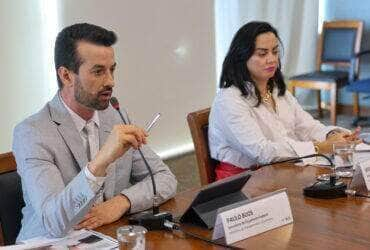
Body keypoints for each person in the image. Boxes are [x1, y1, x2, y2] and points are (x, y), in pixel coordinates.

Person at [12, 23, 177, 241]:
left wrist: (121, 202)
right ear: (66, 76)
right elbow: (54, 222)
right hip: (50, 243)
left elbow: (165, 179)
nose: (111, 81)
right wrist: (100, 162)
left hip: (104, 238)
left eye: (112, 69)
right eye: (98, 71)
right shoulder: (33, 133)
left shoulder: (116, 115)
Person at [208, 21, 359, 181]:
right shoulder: (229, 100)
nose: (271, 59)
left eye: (275, 52)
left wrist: (334, 136)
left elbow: (307, 127)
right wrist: (321, 147)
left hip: (282, 170)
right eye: (262, 54)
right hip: (244, 182)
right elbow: (263, 152)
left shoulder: (277, 91)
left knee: (346, 184)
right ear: (241, 57)